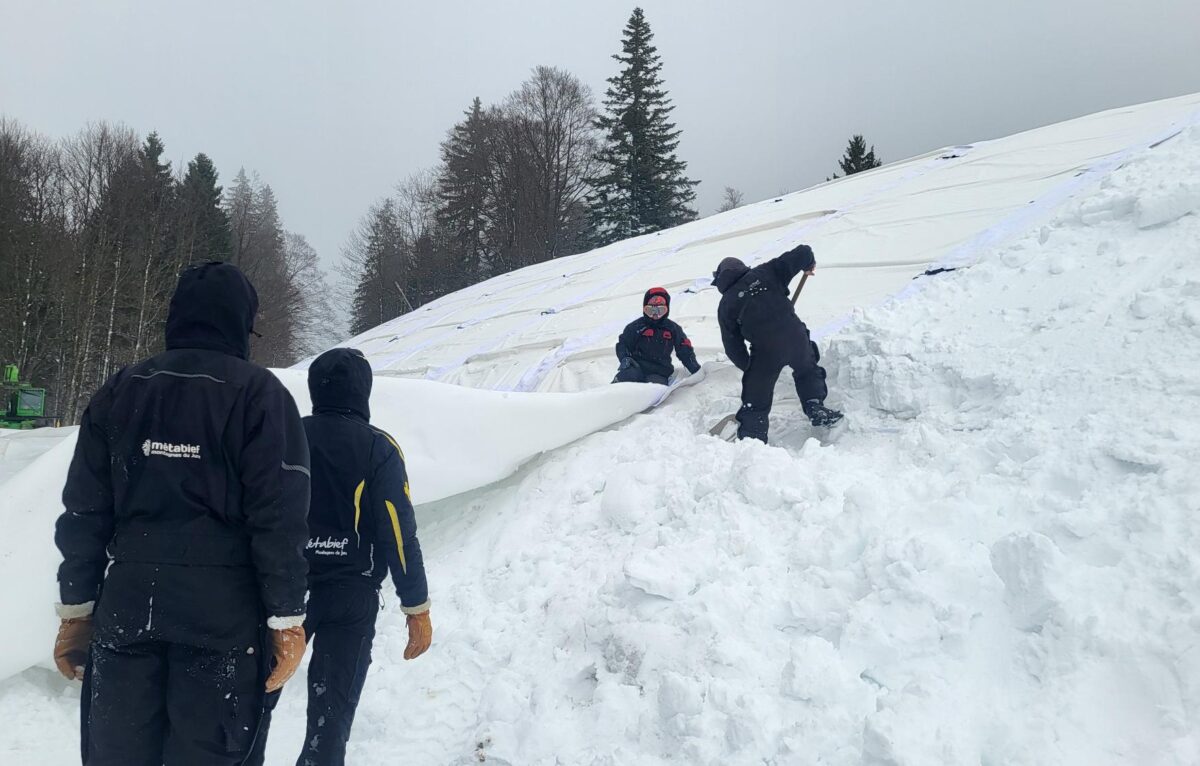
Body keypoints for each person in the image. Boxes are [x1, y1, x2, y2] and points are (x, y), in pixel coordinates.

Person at [52, 261, 311, 765]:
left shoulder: (121, 390)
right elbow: (279, 518)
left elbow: (84, 510)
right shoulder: (260, 396)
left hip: (129, 606)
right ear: (241, 323)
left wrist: (76, 607)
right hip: (223, 617)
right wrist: (286, 618)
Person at [249, 347, 431, 766]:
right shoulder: (379, 447)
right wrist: (416, 606)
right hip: (351, 596)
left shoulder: (286, 436)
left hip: (282, 593)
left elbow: (256, 514)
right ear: (363, 391)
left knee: (253, 702)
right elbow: (398, 532)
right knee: (330, 721)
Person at [712, 245, 843, 442]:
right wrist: (808, 264)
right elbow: (804, 251)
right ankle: (814, 405)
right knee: (807, 370)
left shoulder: (726, 305)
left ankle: (752, 436)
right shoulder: (766, 271)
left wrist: (749, 368)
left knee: (757, 393)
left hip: (765, 351)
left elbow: (733, 346)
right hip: (795, 336)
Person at [613, 287, 701, 385]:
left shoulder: (672, 329)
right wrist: (624, 358)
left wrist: (696, 370)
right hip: (636, 367)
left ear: (667, 310)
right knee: (622, 380)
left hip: (660, 372)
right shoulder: (636, 327)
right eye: (651, 310)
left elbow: (685, 350)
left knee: (653, 389)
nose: (655, 315)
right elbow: (623, 344)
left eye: (660, 310)